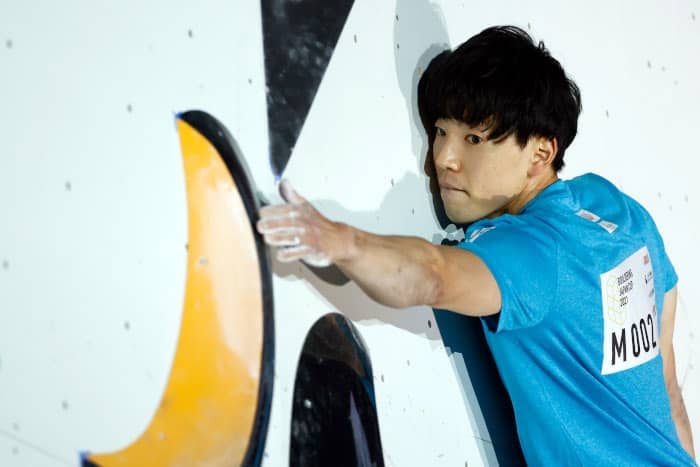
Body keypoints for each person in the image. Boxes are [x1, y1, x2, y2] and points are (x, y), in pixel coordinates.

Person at [256, 25, 696, 465]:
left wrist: (340, 241)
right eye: (440, 131)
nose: (443, 159)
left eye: (474, 139)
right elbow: (668, 389)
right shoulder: (619, 211)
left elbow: (433, 276)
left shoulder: (531, 252)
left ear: (540, 154)